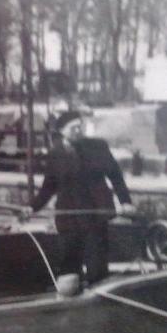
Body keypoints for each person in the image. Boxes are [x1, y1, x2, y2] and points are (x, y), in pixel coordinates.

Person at [29, 111, 134, 286]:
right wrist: (31, 208)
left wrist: (126, 202)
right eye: (73, 128)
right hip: (68, 219)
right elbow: (48, 188)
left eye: (80, 126)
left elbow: (115, 176)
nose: (79, 130)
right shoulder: (55, 153)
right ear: (62, 131)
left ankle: (98, 295)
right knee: (69, 270)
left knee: (97, 269)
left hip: (95, 216)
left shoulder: (97, 147)